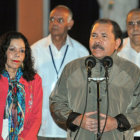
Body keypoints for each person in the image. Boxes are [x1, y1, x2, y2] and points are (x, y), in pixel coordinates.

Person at [50, 19, 140, 140]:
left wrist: (117, 122)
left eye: (104, 36)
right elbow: (56, 103)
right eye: (94, 36)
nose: (97, 40)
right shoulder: (72, 68)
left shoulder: (131, 71)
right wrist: (76, 119)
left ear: (117, 43)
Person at [31, 5, 89, 140]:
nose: (54, 23)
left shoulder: (81, 53)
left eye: (60, 20)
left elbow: (85, 91)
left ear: (70, 24)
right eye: (52, 19)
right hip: (41, 126)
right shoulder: (34, 50)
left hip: (69, 126)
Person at [0, 31, 43, 140]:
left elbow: (36, 116)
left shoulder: (34, 80)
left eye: (22, 51)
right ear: (3, 51)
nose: (17, 54)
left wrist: (24, 138)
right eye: (12, 49)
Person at [118, 8, 140, 139]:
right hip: (123, 126)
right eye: (131, 24)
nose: (135, 27)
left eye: (139, 23)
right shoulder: (117, 50)